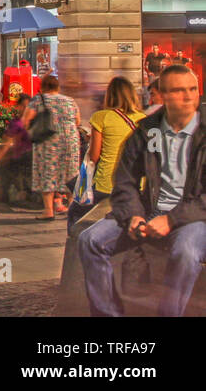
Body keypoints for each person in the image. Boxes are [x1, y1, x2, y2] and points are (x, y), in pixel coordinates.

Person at [77, 65, 206, 317]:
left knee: (185, 252)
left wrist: (172, 219)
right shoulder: (147, 129)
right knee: (89, 240)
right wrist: (133, 215)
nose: (189, 96)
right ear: (163, 95)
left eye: (193, 89)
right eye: (179, 91)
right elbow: (125, 180)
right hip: (149, 210)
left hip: (195, 218)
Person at [74, 76, 145, 228]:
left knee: (76, 212)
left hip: (107, 184)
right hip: (137, 184)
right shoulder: (144, 119)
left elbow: (94, 156)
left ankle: (79, 248)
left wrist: (90, 141)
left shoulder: (101, 117)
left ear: (110, 96)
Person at [23, 74, 82, 220]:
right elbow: (78, 121)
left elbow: (26, 120)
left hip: (48, 140)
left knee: (47, 171)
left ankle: (48, 211)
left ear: (43, 87)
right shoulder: (70, 100)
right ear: (58, 87)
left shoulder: (38, 99)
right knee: (70, 172)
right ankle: (71, 206)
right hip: (70, 140)